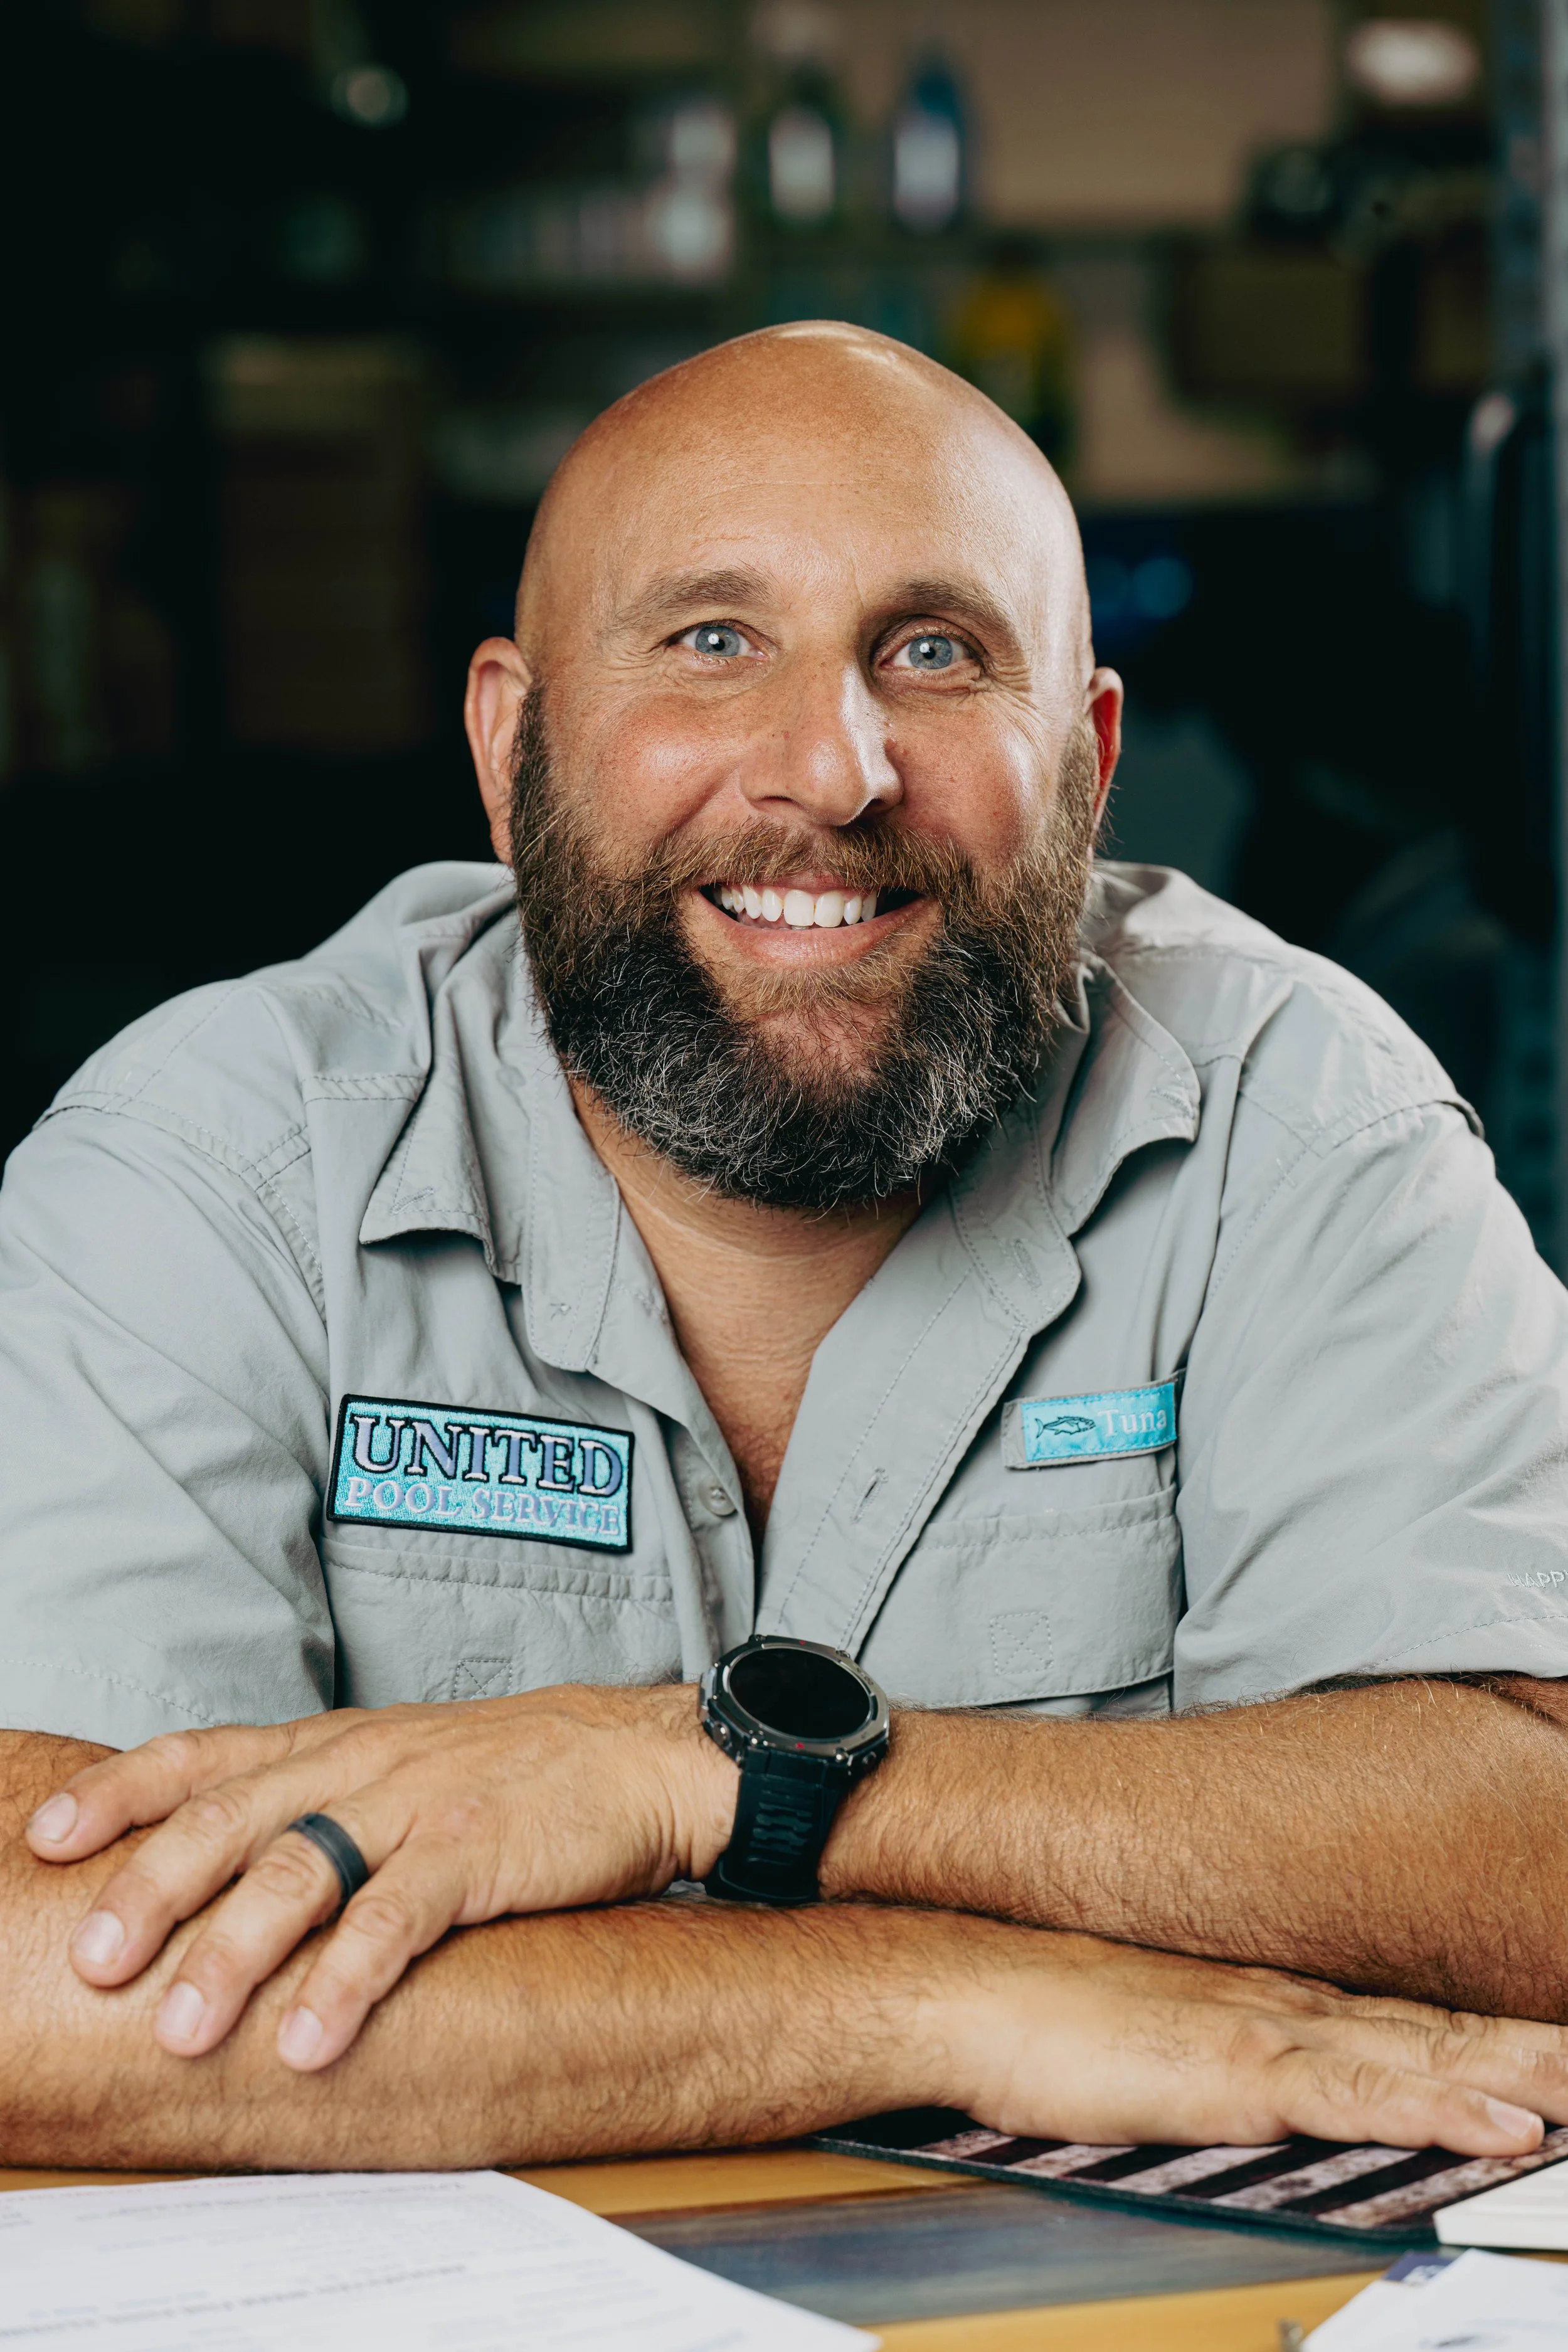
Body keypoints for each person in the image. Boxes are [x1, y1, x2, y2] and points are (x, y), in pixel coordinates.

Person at [5, 323, 1568, 2175]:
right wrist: (940, 2000)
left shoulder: (1293, 1117)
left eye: (933, 651)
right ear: (512, 749)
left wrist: (695, 1765)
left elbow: (1529, 1840)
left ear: (1086, 759)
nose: (831, 771)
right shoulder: (213, 1157)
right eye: (710, 639)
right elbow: (48, 1977)